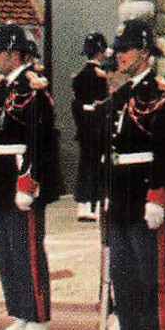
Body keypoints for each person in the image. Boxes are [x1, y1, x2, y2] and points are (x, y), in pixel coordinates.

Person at [99, 19, 165, 330]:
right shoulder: (120, 96)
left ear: (145, 52)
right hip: (121, 192)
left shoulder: (161, 94)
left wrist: (158, 196)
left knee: (151, 270)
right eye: (117, 49)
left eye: (126, 49)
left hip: (146, 188)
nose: (119, 55)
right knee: (123, 269)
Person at [0, 24, 60, 330]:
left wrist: (29, 182)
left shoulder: (32, 88)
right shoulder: (6, 88)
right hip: (1, 175)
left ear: (14, 54)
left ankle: (37, 320)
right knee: (7, 250)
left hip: (20, 175)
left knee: (26, 249)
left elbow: (39, 141)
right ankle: (21, 314)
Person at [70, 32, 110, 222]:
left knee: (85, 164)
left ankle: (83, 205)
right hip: (98, 125)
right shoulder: (102, 77)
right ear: (100, 52)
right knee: (97, 166)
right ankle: (93, 204)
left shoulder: (78, 77)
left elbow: (76, 105)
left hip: (84, 126)